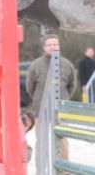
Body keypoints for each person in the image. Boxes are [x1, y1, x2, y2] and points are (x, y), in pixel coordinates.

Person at [26, 34, 75, 167]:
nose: (52, 46)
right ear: (44, 48)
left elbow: (72, 86)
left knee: (63, 140)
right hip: (40, 110)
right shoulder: (36, 65)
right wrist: (39, 100)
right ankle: (41, 169)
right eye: (49, 44)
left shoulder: (67, 64)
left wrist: (63, 99)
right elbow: (30, 87)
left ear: (59, 46)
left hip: (61, 111)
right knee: (41, 141)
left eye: (55, 44)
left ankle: (63, 171)